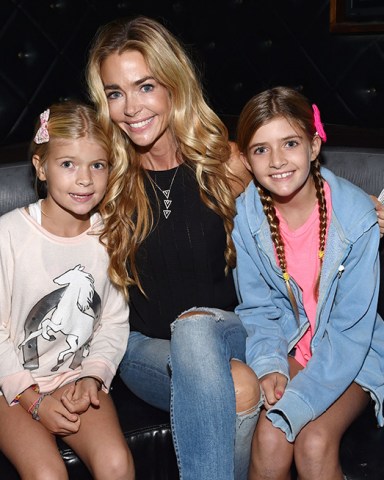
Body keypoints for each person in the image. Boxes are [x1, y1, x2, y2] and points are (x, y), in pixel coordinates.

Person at [86, 15, 261, 480]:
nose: (130, 108)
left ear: (173, 85)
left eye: (145, 86)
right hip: (144, 349)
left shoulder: (225, 163)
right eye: (115, 93)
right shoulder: (105, 180)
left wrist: (366, 206)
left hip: (229, 330)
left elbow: (306, 188)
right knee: (234, 381)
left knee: (197, 330)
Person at [232, 86, 384, 480]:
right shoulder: (247, 218)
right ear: (247, 159)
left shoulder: (355, 217)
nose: (278, 160)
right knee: (269, 439)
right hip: (291, 346)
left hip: (353, 354)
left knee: (314, 442)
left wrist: (300, 401)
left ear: (314, 146)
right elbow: (258, 308)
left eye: (290, 143)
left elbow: (350, 333)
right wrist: (267, 364)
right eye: (261, 149)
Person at [0, 102, 134, 480]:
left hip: (74, 378)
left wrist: (93, 376)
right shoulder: (8, 235)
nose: (85, 180)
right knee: (47, 474)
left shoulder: (110, 235)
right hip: (8, 387)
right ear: (41, 167)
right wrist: (33, 400)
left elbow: (112, 322)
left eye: (98, 165)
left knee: (116, 463)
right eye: (68, 164)